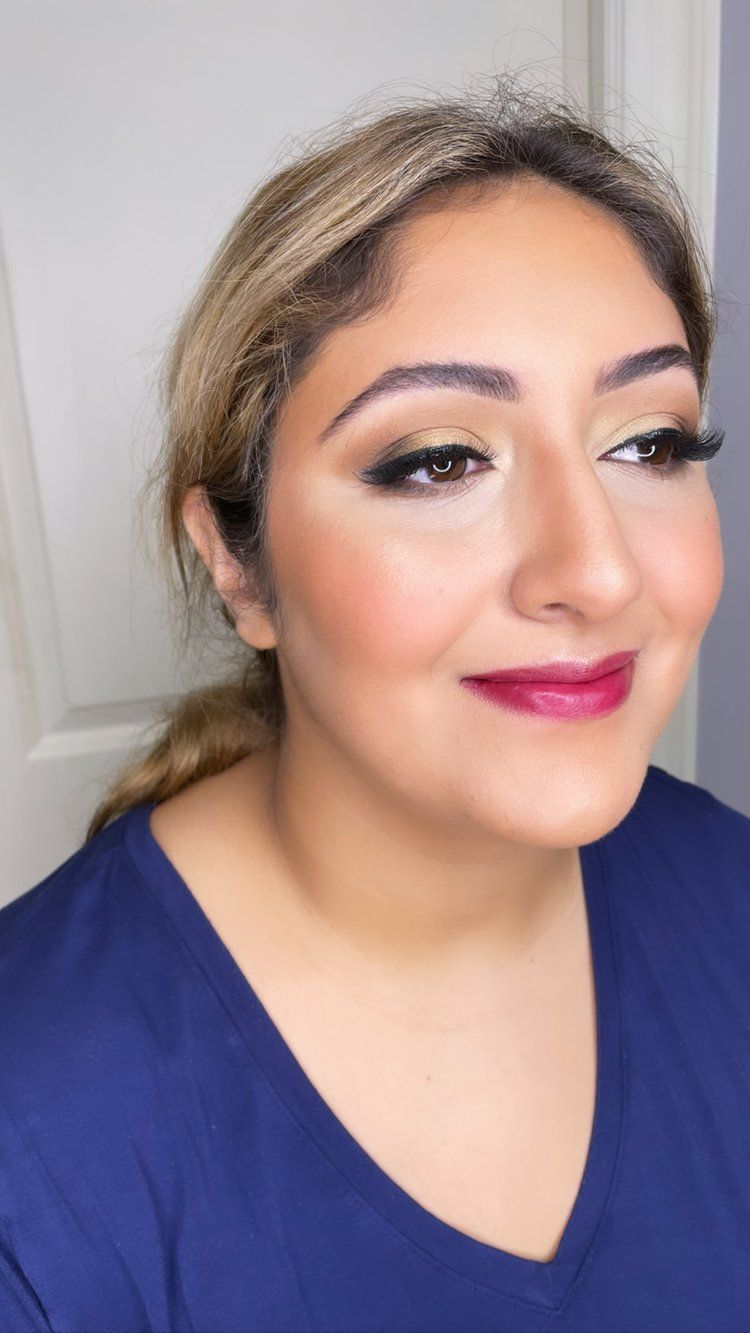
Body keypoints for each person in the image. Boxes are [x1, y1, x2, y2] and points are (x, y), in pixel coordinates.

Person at [0, 75, 747, 1333]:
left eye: (650, 444)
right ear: (239, 563)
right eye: (439, 459)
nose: (600, 571)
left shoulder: (728, 891)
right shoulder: (37, 1139)